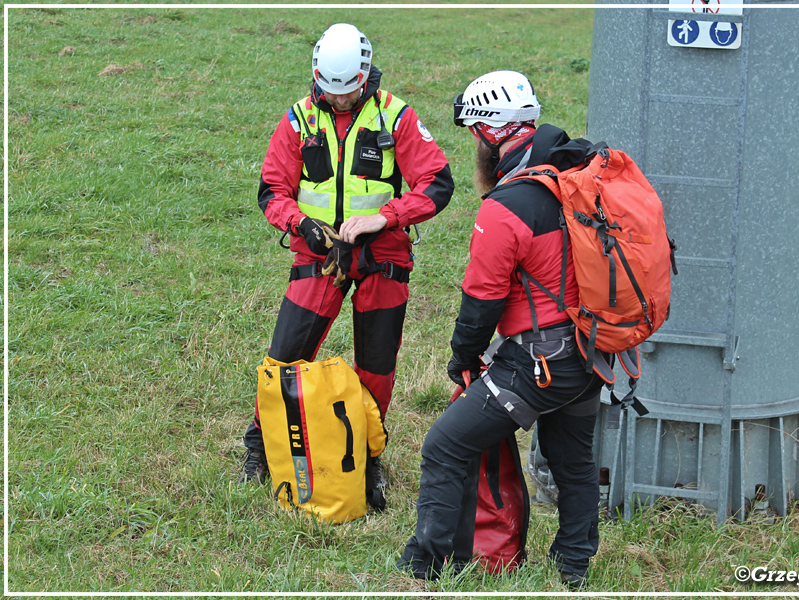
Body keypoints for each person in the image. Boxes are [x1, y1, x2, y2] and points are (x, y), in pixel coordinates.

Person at [397, 71, 607, 589]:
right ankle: (574, 567)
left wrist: (462, 358)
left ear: (492, 134)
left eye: (474, 134)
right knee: (573, 462)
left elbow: (481, 301)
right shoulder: (578, 172)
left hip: (538, 364)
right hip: (592, 354)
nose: (475, 147)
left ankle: (423, 566)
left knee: (444, 446)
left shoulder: (506, 206)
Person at [239, 23, 454, 512]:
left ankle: (368, 458)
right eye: (330, 93)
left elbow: (438, 183)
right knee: (285, 353)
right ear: (316, 77)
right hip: (319, 254)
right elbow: (272, 190)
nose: (339, 101)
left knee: (376, 365)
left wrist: (387, 216)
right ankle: (259, 446)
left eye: (350, 92)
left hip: (384, 255)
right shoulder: (297, 120)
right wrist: (301, 224)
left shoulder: (397, 117)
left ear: (366, 76)